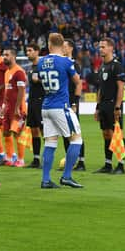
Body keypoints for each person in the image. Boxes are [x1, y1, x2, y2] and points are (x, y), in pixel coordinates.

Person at [38, 33, 84, 189]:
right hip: (61, 106)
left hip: (46, 107)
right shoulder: (66, 62)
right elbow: (77, 81)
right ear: (62, 45)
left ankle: (45, 180)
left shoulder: (41, 61)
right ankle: (67, 176)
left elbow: (38, 78)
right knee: (76, 140)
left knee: (50, 143)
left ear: (49, 45)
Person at [93, 37, 125, 174]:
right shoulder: (101, 67)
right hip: (104, 105)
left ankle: (121, 165)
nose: (101, 49)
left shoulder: (116, 66)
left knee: (117, 135)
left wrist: (118, 107)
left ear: (111, 48)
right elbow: (100, 89)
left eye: (103, 47)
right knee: (106, 134)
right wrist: (97, 107)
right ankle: (107, 164)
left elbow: (121, 88)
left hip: (114, 105)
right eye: (100, 47)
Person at [0, 47, 28, 167]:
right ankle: (10, 157)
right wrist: (4, 105)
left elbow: (21, 91)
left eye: (7, 55)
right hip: (8, 107)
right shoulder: (7, 72)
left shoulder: (19, 72)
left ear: (14, 56)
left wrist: (17, 108)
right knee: (5, 132)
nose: (4, 57)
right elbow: (7, 91)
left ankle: (21, 159)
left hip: (18, 108)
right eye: (3, 55)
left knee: (17, 133)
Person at [62, 39, 86, 171]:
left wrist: (74, 103)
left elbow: (78, 84)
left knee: (75, 132)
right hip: (62, 103)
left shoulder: (74, 65)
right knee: (65, 133)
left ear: (70, 48)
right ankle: (69, 161)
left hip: (71, 103)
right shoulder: (61, 63)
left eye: (64, 46)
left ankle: (81, 162)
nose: (62, 48)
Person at [26, 43, 44, 168]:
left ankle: (46, 158)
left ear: (37, 52)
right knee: (33, 130)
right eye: (27, 51)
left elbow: (49, 81)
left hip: (41, 101)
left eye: (30, 50)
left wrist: (40, 80)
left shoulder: (42, 67)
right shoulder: (31, 68)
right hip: (31, 101)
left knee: (44, 131)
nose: (28, 53)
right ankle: (36, 159)